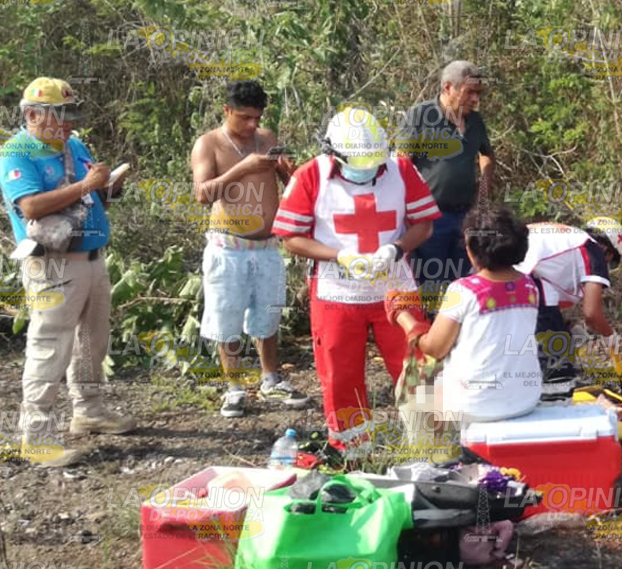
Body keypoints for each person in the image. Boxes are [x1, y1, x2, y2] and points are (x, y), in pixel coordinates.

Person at [272, 106, 439, 461]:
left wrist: (396, 248)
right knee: (339, 374)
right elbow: (290, 236)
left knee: (416, 366)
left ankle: (432, 446)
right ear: (333, 152)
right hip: (336, 293)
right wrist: (339, 256)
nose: (366, 171)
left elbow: (424, 224)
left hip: (395, 288)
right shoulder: (309, 176)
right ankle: (354, 452)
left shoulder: (402, 170)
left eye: (373, 162)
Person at [0, 77, 134, 467]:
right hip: (53, 262)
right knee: (49, 345)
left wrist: (108, 188)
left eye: (70, 115)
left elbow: (92, 197)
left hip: (92, 255)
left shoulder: (73, 145)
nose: (68, 124)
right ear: (32, 115)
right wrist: (86, 186)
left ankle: (88, 410)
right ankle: (37, 437)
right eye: (59, 116)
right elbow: (29, 207)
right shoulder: (16, 152)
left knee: (93, 339)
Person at [190, 80, 311, 418]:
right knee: (226, 317)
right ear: (227, 111)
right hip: (227, 247)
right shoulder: (209, 144)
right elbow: (202, 194)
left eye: (257, 118)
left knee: (268, 314)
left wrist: (290, 173)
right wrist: (242, 169)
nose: (252, 125)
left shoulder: (267, 138)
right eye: (244, 118)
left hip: (267, 245)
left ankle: (271, 379)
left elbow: (292, 181)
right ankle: (233, 388)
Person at [390, 209, 541, 429]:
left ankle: (430, 453)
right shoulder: (529, 286)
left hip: (475, 406)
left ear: (472, 250)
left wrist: (402, 315)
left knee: (415, 379)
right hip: (525, 400)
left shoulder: (463, 291)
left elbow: (434, 348)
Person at [400, 60, 494, 303]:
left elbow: (486, 156)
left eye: (478, 93)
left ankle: (457, 338)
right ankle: (429, 337)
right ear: (448, 88)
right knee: (427, 286)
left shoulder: (475, 121)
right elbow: (402, 165)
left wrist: (482, 198)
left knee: (464, 285)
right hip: (428, 220)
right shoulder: (420, 116)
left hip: (465, 218)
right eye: (469, 92)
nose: (476, 100)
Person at [514, 217, 622, 402]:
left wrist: (562, 326)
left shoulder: (566, 239)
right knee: (558, 363)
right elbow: (591, 314)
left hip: (501, 281)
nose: (606, 265)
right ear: (608, 251)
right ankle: (554, 407)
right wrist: (610, 336)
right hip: (522, 284)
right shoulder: (593, 250)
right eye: (610, 261)